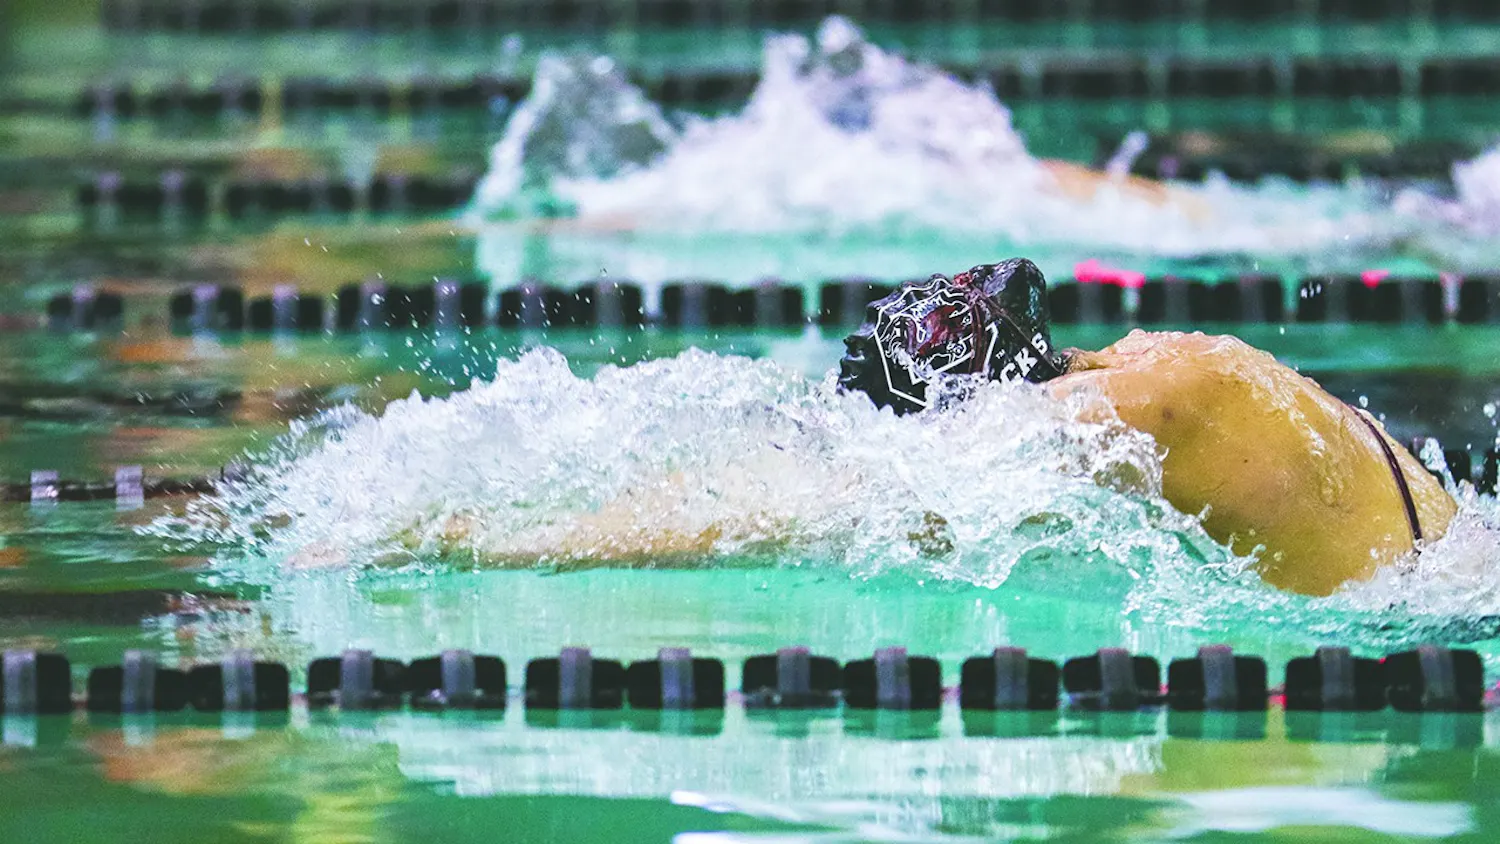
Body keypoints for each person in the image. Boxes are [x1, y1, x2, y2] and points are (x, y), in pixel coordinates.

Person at [837, 258, 1457, 596]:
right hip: (1460, 560)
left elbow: (879, 520)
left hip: (1421, 618)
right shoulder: (1143, 357)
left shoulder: (1097, 413)